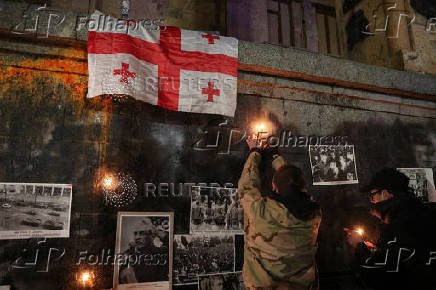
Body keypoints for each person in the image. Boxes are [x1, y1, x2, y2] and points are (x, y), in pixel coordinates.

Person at [238, 137, 321, 289]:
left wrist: (255, 152)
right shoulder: (314, 214)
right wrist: (276, 157)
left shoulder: (261, 211)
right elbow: (296, 188)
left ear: (274, 186)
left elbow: (247, 186)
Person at [345, 168, 436, 289]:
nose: (371, 200)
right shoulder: (422, 215)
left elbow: (377, 274)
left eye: (373, 195)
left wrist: (358, 245)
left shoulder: (400, 226)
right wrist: (379, 250)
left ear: (386, 193)